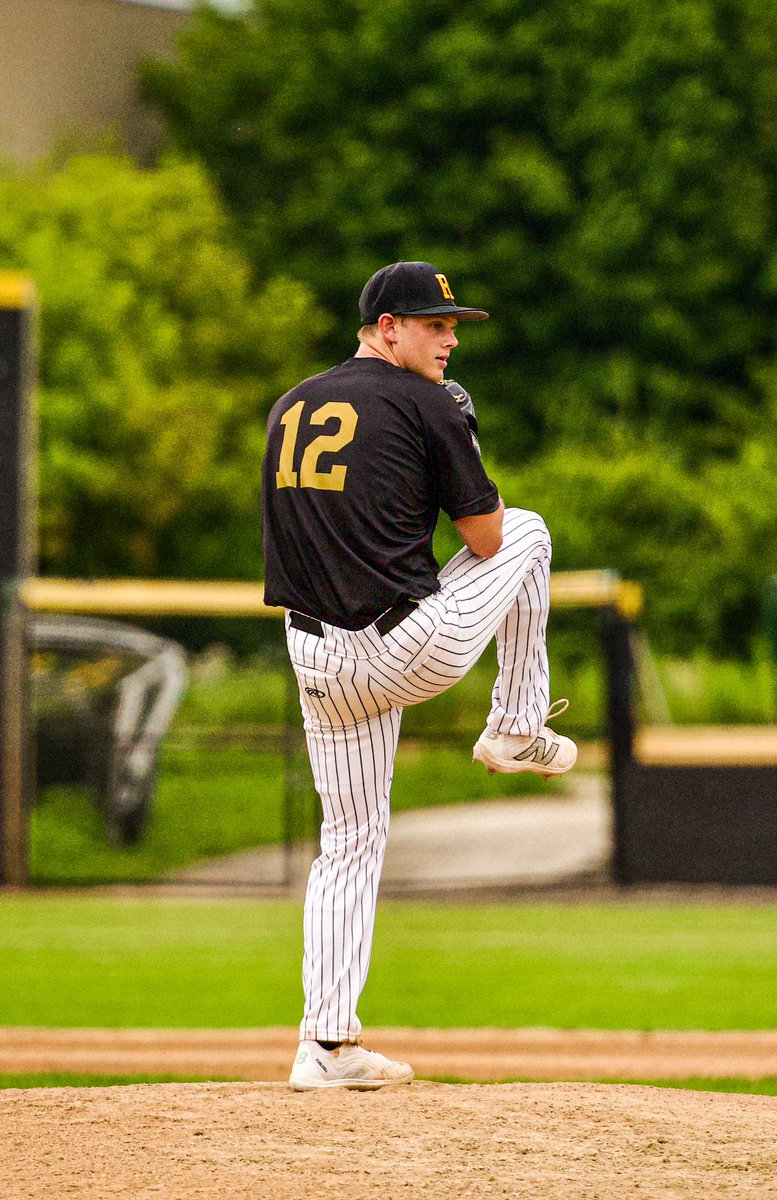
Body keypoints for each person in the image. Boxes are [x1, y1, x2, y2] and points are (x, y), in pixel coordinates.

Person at [261, 260, 577, 1091]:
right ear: (383, 328)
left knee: (348, 845)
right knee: (532, 531)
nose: (448, 338)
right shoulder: (426, 401)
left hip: (316, 657)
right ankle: (516, 724)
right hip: (404, 646)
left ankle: (322, 1048)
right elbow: (483, 540)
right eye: (432, 324)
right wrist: (458, 437)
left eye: (453, 325)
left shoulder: (291, 404)